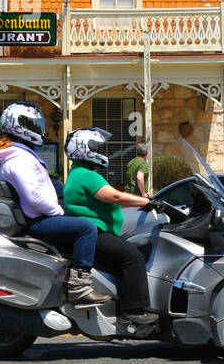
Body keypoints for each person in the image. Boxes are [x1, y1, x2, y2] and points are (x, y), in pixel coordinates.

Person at [0, 102, 110, 305]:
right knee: (87, 228)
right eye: (32, 124)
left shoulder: (17, 155)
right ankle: (79, 286)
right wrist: (58, 211)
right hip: (38, 219)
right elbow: (34, 196)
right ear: (19, 126)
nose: (38, 129)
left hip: (38, 216)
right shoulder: (18, 159)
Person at [62, 127, 156, 326]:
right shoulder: (86, 174)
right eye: (95, 147)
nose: (99, 152)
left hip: (93, 232)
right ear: (83, 149)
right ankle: (132, 311)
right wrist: (146, 202)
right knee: (134, 258)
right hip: (95, 232)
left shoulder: (77, 172)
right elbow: (114, 196)